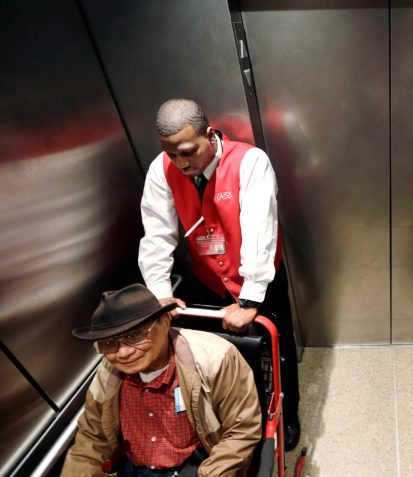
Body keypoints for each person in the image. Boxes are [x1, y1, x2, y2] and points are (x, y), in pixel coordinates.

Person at [138, 98, 300, 448]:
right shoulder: (161, 170)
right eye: (171, 154)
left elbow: (261, 229)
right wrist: (160, 292)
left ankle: (290, 415)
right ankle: (244, 420)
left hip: (258, 279)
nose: (181, 163)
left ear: (209, 135)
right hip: (209, 278)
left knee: (278, 348)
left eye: (187, 152)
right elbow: (157, 234)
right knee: (226, 355)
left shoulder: (249, 162)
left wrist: (251, 297)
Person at [62, 284, 261, 476]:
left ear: (165, 321)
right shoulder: (109, 373)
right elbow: (92, 438)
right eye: (108, 342)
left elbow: (241, 429)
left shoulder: (216, 358)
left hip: (199, 463)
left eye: (135, 335)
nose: (123, 352)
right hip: (134, 466)